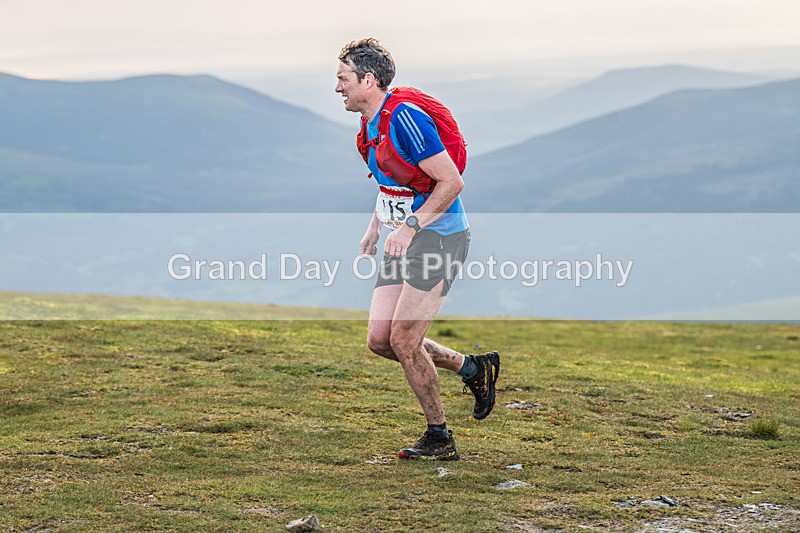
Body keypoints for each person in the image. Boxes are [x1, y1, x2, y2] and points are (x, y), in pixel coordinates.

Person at [335, 38, 500, 461]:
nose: (338, 88)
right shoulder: (368, 125)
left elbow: (451, 183)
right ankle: (471, 367)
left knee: (405, 340)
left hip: (438, 239)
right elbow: (393, 183)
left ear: (368, 80)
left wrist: (409, 227)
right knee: (380, 340)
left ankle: (440, 438)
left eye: (343, 79)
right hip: (399, 238)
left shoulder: (405, 119)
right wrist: (375, 226)